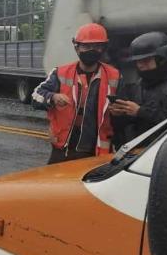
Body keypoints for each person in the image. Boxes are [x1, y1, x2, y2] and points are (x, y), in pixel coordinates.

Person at [32, 23, 120, 164]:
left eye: (97, 46)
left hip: (97, 151)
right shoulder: (60, 73)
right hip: (63, 149)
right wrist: (53, 97)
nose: (92, 50)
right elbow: (36, 96)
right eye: (86, 46)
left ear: (103, 48)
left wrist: (120, 112)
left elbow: (123, 114)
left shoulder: (114, 76)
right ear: (77, 48)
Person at [110, 32, 167, 145]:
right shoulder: (141, 84)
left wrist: (141, 111)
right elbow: (133, 124)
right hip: (144, 152)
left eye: (146, 60)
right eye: (137, 61)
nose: (140, 65)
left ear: (162, 58)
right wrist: (121, 115)